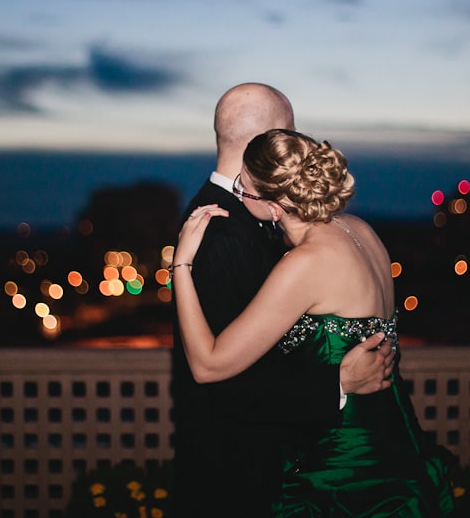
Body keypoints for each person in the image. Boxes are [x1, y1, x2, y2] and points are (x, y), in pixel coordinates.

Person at [172, 129, 455, 517]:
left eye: (243, 186)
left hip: (346, 465)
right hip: (395, 434)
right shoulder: (362, 230)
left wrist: (181, 266)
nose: (236, 191)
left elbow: (207, 365)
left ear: (273, 207)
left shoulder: (305, 264)